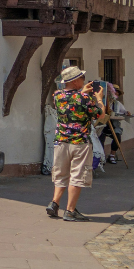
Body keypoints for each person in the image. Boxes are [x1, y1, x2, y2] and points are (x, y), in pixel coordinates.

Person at [46, 66, 104, 222]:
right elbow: (100, 115)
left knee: (61, 174)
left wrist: (81, 93)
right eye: (82, 78)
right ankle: (70, 210)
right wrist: (98, 99)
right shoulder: (85, 99)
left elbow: (71, 100)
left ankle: (55, 203)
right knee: (77, 176)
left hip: (61, 141)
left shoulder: (57, 95)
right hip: (79, 143)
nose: (84, 80)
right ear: (76, 80)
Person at [99, 85, 131, 164]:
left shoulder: (117, 103)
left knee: (117, 138)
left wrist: (127, 113)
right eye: (114, 93)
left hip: (114, 124)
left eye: (116, 94)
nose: (114, 95)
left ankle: (112, 156)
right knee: (100, 138)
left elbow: (124, 112)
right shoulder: (103, 102)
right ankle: (101, 157)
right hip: (103, 124)